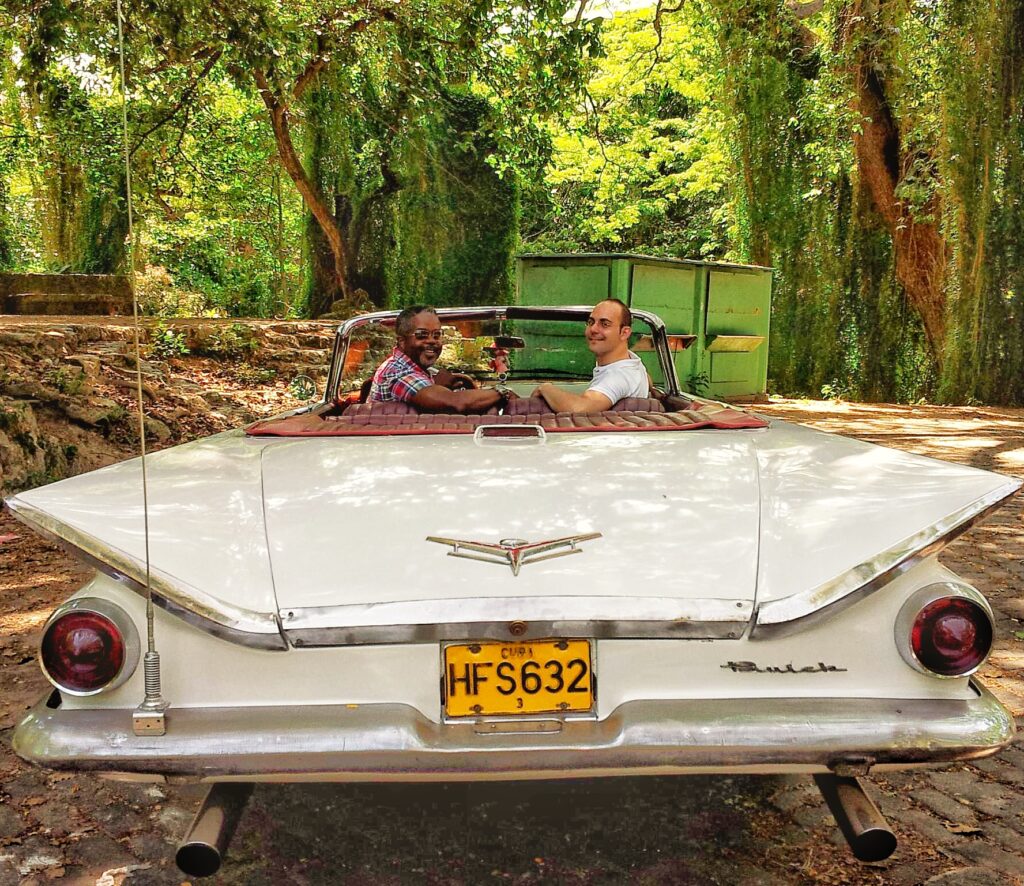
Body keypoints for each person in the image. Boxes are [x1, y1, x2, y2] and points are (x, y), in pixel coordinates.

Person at [369, 305, 514, 413]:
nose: (432, 341)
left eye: (437, 335)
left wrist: (437, 386)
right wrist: (502, 392)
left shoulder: (419, 369)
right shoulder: (398, 373)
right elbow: (455, 403)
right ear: (401, 341)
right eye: (422, 335)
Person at [532, 298, 649, 413]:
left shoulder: (619, 376)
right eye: (591, 322)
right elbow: (648, 380)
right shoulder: (632, 362)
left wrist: (546, 388)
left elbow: (579, 408)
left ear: (624, 333)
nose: (593, 329)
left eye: (605, 324)